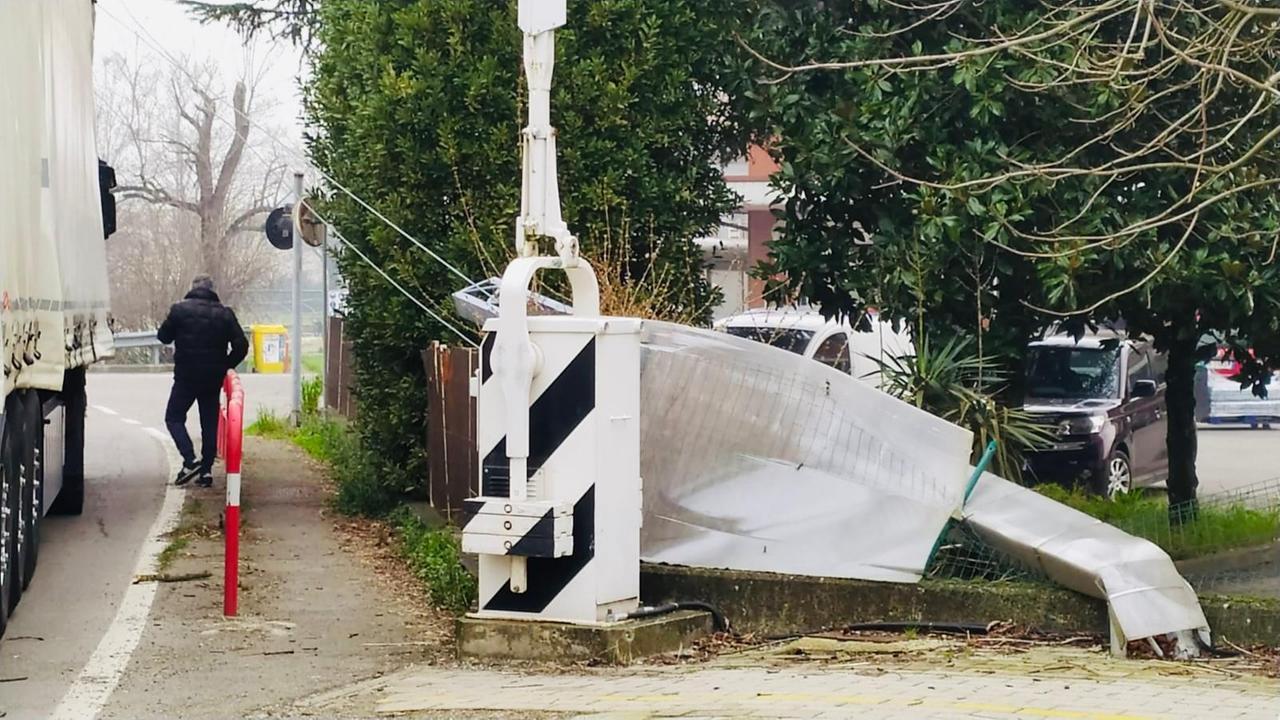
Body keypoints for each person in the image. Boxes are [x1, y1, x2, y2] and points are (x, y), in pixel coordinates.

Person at [157, 276, 249, 487]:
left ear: (193, 289)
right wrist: (226, 364)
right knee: (209, 421)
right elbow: (241, 346)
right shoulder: (225, 314)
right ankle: (206, 471)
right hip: (212, 376)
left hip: (186, 375)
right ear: (212, 290)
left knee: (174, 417)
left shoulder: (179, 310)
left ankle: (190, 459)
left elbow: (163, 336)